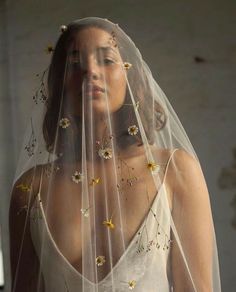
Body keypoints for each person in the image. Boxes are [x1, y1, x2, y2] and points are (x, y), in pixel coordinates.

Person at [9, 17, 221, 292]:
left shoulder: (174, 171)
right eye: (74, 63)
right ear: (59, 83)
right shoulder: (31, 189)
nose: (90, 72)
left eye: (106, 60)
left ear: (130, 75)